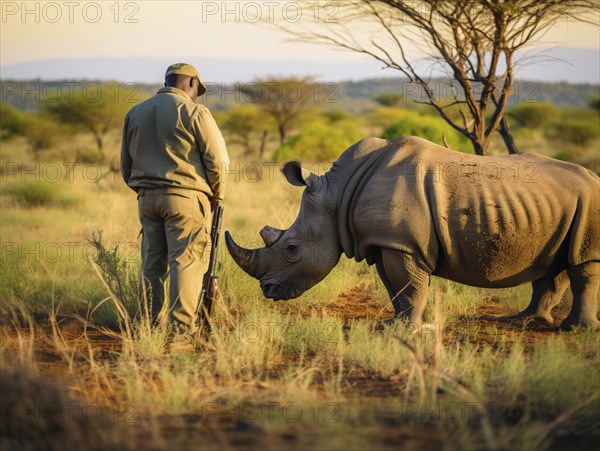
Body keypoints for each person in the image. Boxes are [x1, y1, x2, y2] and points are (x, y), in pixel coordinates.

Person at [120, 63, 229, 345]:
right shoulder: (195, 112)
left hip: (147, 199)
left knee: (152, 265)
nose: (197, 95)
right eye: (197, 89)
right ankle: (181, 333)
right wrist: (217, 195)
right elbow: (218, 162)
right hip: (186, 198)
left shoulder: (136, 113)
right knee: (186, 262)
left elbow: (125, 165)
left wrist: (144, 189)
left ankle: (150, 329)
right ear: (191, 82)